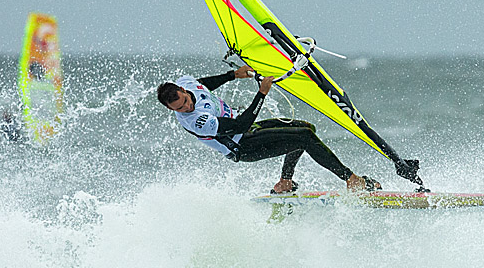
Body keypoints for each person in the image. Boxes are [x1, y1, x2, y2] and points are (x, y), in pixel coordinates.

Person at [158, 65, 382, 194]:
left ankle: (285, 182)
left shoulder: (186, 83)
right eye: (179, 108)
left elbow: (202, 85)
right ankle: (352, 180)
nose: (187, 107)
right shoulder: (194, 121)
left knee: (306, 128)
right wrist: (262, 92)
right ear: (171, 108)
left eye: (185, 101)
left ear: (182, 90)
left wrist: (232, 75)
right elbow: (239, 126)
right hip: (241, 146)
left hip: (249, 131)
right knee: (304, 137)